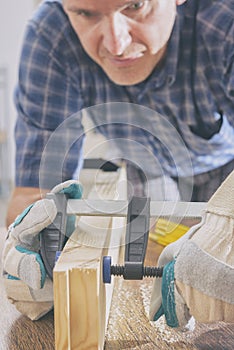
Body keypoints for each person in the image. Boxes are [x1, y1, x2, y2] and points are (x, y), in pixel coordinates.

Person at [2, 0, 234, 325]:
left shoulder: (224, 20)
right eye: (86, 13)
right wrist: (31, 248)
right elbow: (33, 195)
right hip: (144, 176)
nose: (116, 44)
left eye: (136, 5)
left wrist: (226, 229)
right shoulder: (50, 35)